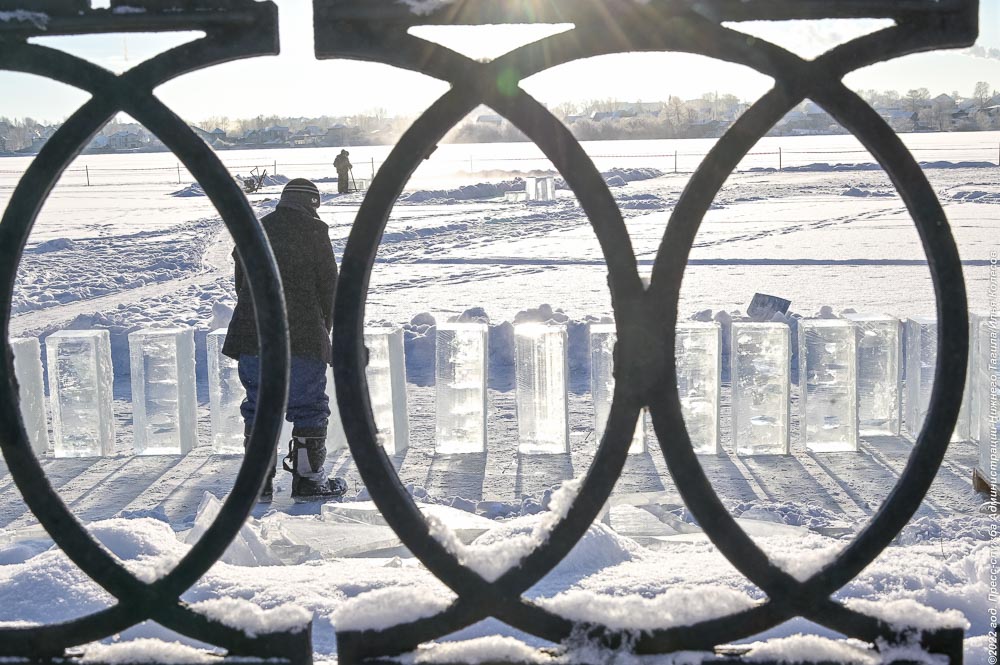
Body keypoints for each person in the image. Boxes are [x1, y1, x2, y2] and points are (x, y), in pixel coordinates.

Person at [223, 178, 347, 503]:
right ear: (313, 203)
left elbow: (240, 279)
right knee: (308, 407)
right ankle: (308, 481)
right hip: (302, 335)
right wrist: (325, 330)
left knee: (259, 406)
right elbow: (330, 288)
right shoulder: (315, 232)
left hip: (253, 336)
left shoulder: (257, 228)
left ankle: (258, 483)